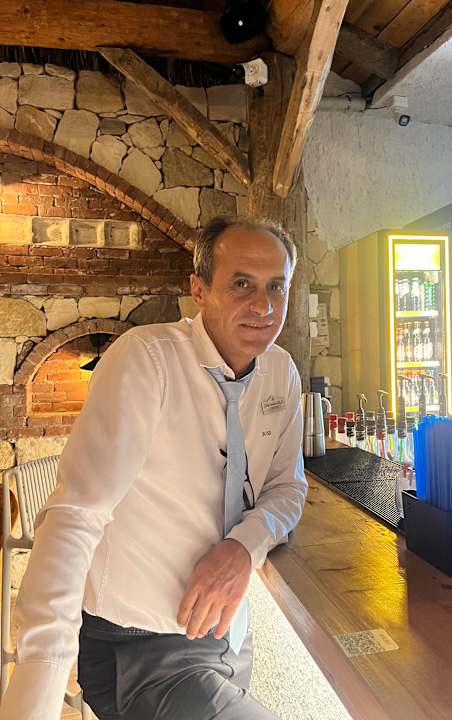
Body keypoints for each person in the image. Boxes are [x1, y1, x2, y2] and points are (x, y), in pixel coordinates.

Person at [0, 217, 307, 720]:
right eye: (242, 284)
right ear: (199, 290)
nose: (264, 306)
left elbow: (287, 488)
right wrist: (34, 698)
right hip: (135, 650)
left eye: (277, 286)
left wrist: (243, 548)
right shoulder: (146, 360)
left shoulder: (280, 372)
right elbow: (75, 517)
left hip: (227, 635)